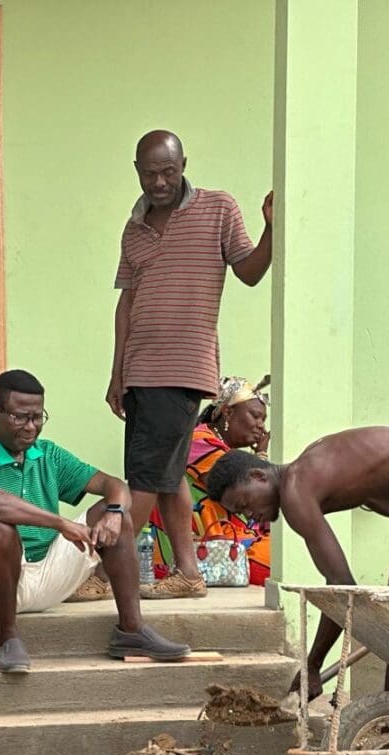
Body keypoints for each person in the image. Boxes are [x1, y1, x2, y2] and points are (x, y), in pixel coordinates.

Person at [95, 129, 273, 602]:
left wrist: (273, 229)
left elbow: (249, 272)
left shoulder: (217, 208)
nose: (159, 182)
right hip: (139, 371)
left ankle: (104, 574)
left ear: (183, 165)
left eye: (168, 171)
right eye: (150, 173)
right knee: (169, 477)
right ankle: (190, 573)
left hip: (183, 368)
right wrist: (117, 374)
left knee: (145, 481)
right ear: (137, 171)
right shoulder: (134, 228)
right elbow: (126, 306)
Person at [208, 429, 389, 698]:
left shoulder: (295, 490)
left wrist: (313, 665)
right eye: (241, 513)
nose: (251, 517)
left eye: (245, 503)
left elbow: (342, 587)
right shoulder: (323, 468)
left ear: (259, 475)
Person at [0, 369, 190, 672]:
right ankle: (7, 640)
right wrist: (61, 523)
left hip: (48, 577)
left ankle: (132, 631)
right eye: (20, 417)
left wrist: (115, 514)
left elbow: (115, 486)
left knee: (116, 513)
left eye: (38, 417)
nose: (31, 427)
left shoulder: (48, 455)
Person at [141, 375, 273, 587]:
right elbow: (231, 484)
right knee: (271, 564)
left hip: (233, 541)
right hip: (211, 545)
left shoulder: (227, 451)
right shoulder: (198, 440)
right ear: (228, 412)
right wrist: (262, 456)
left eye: (263, 420)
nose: (261, 426)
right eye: (255, 416)